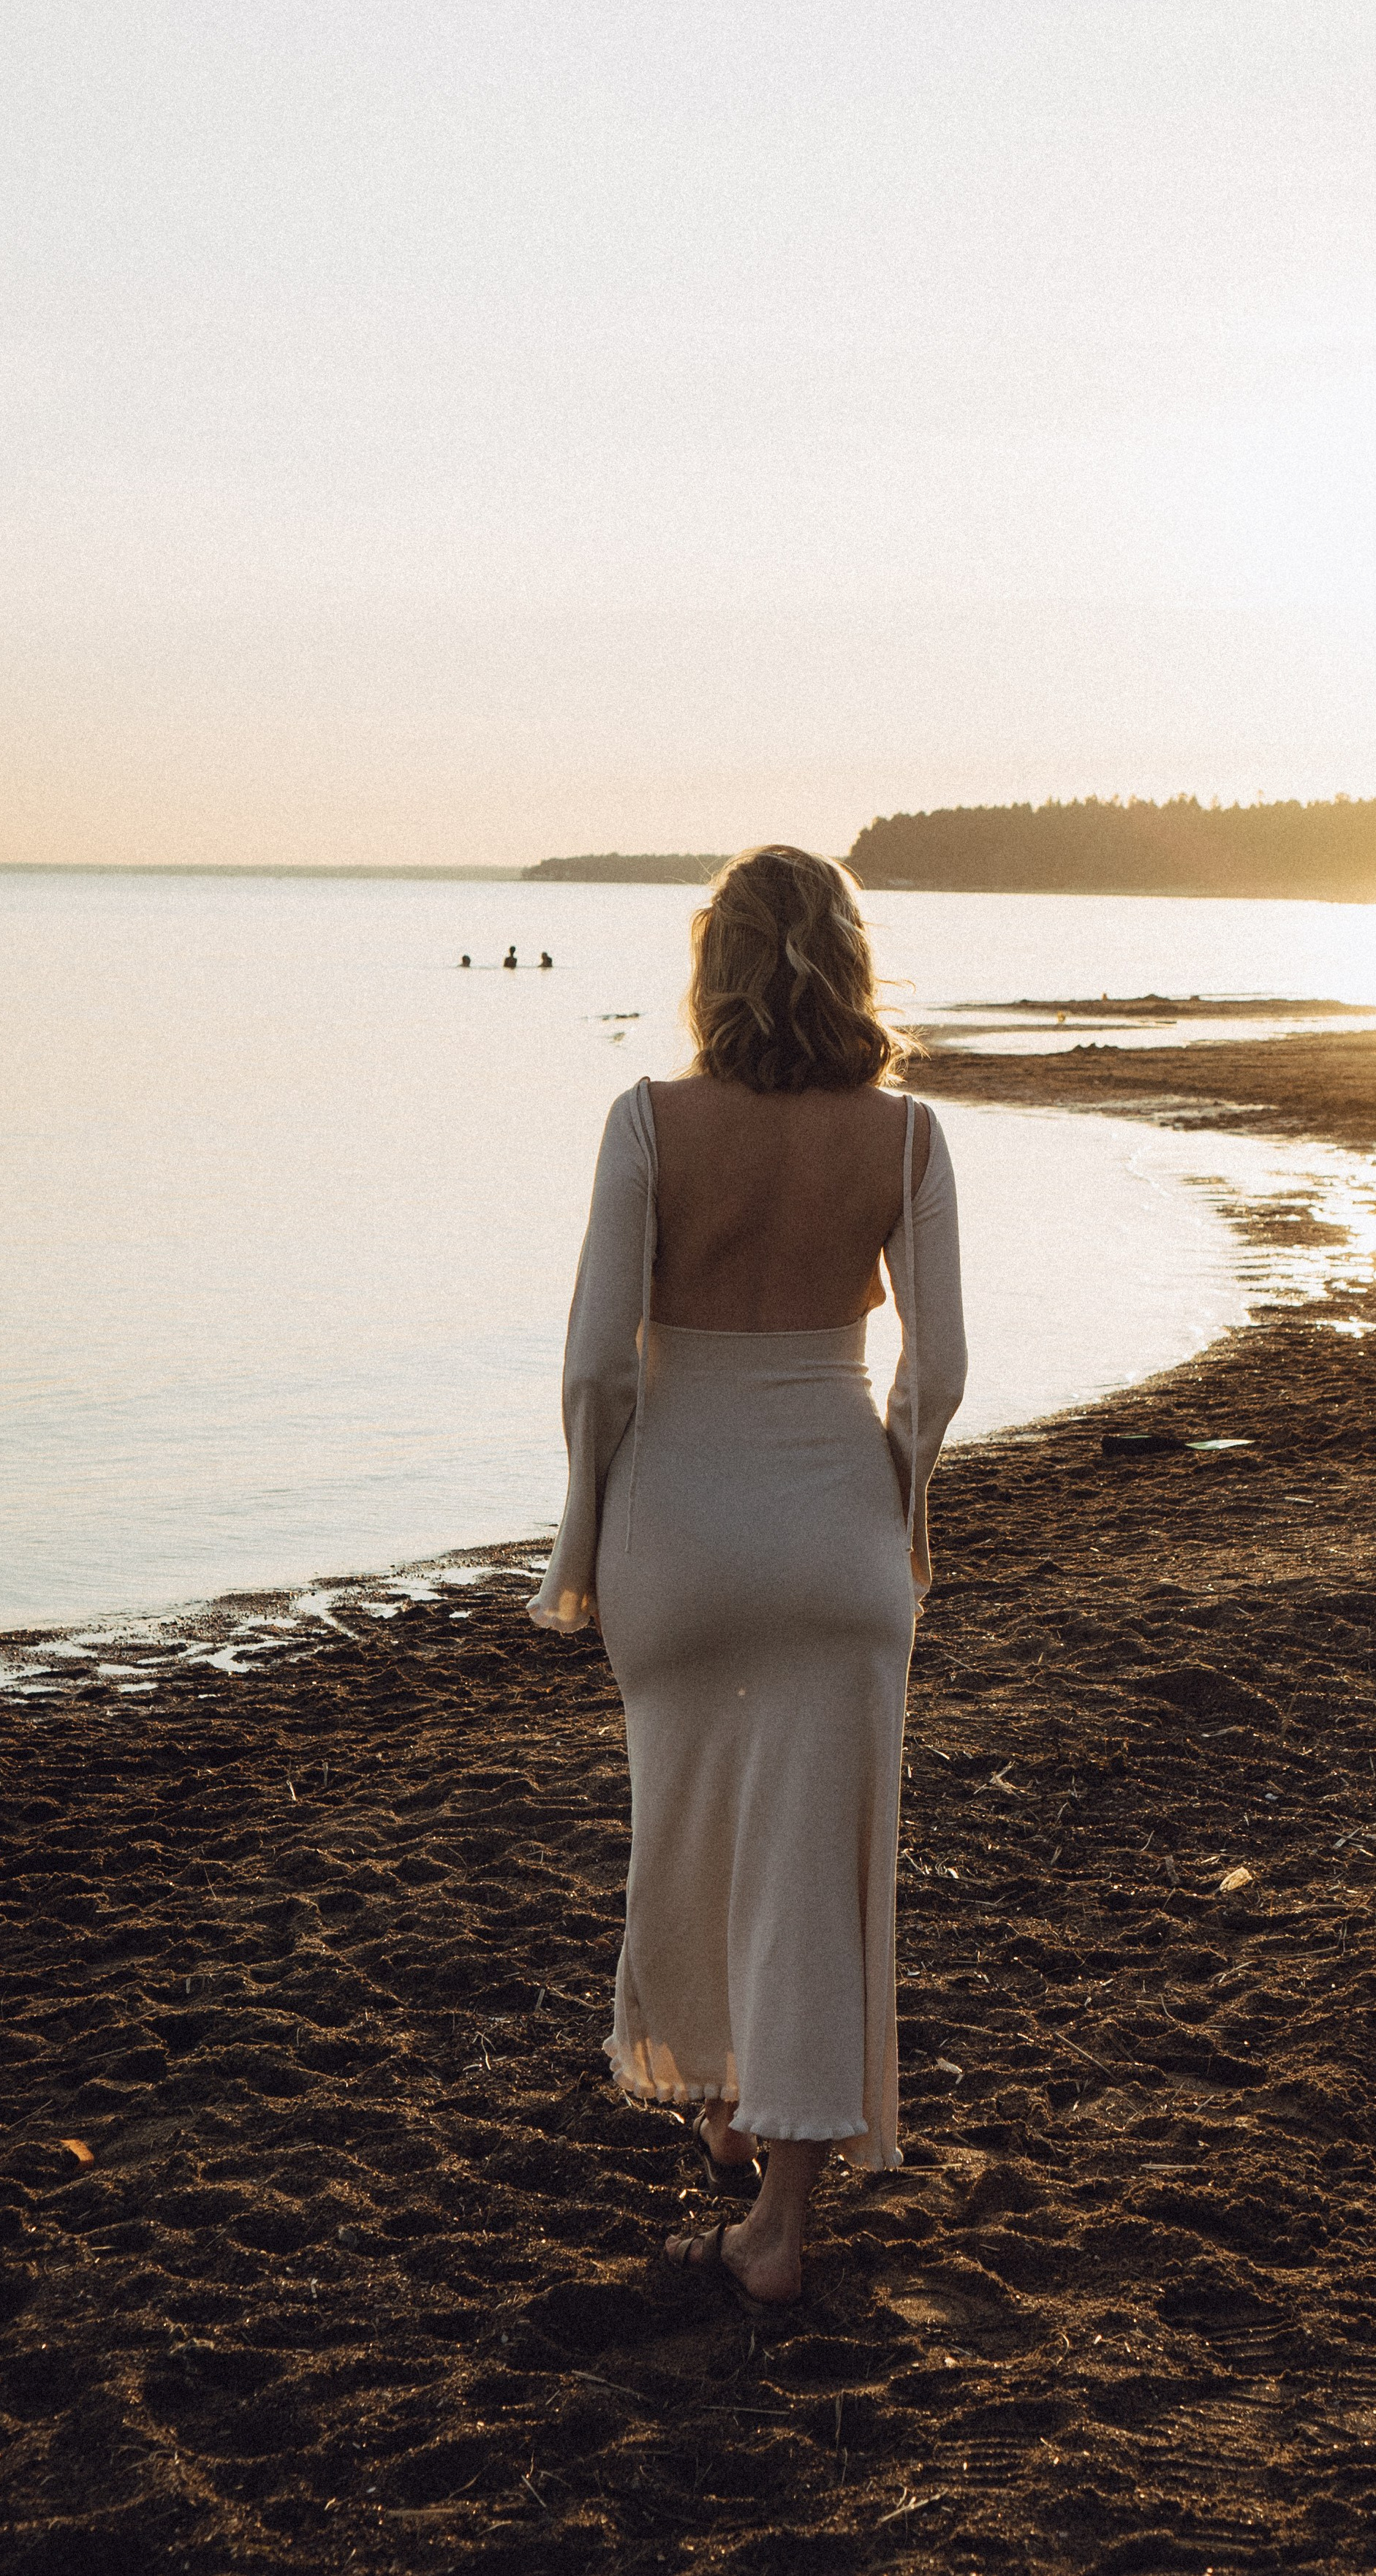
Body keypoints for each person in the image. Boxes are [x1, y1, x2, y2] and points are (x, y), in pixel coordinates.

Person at [529, 846, 967, 2303]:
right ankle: (774, 2205)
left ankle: (734, 2127)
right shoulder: (904, 1140)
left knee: (699, 1825)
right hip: (834, 1528)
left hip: (680, 1533)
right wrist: (890, 1516)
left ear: (711, 967)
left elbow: (596, 1367)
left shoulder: (645, 1124)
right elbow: (937, 1375)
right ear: (849, 963)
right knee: (814, 1871)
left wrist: (585, 1530)